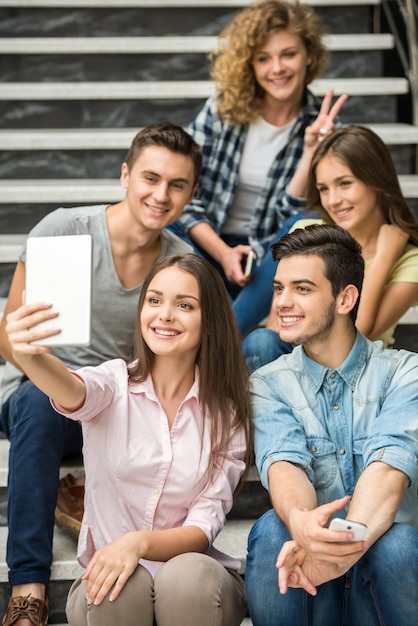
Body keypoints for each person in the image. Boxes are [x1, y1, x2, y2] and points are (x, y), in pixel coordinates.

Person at [0, 122, 202, 626]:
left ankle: (83, 492)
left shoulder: (182, 263)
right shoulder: (64, 230)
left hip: (120, 409)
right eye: (150, 179)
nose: (161, 195)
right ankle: (28, 584)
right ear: (125, 175)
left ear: (191, 194)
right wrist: (42, 362)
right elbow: (10, 336)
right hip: (45, 397)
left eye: (177, 185)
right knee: (36, 403)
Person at [5, 253, 252, 626]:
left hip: (200, 588)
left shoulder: (227, 416)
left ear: (211, 321)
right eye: (154, 300)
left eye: (184, 305)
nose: (165, 315)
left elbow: (203, 528)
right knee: (118, 588)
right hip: (111, 582)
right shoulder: (113, 383)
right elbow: (72, 390)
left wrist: (137, 543)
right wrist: (30, 356)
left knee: (185, 578)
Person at [245, 223, 418, 626]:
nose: (283, 303)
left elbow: (388, 473)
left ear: (345, 298)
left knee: (398, 544)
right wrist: (303, 524)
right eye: (279, 288)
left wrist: (334, 557)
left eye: (302, 289)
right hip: (308, 577)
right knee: (275, 529)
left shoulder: (405, 372)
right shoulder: (268, 382)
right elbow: (283, 466)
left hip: (381, 580)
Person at [169, 0, 347, 336]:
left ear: (309, 54)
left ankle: (221, 346)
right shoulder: (222, 111)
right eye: (264, 58)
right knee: (163, 220)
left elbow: (290, 218)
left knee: (301, 228)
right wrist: (223, 253)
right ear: (249, 63)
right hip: (207, 243)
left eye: (288, 54)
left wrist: (312, 149)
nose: (276, 68)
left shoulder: (319, 126)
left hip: (267, 256)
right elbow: (182, 190)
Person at [243, 124, 418, 373]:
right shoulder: (307, 233)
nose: (333, 200)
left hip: (357, 377)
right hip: (294, 368)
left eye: (344, 183)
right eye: (324, 188)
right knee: (261, 341)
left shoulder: (410, 260)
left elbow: (359, 335)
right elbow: (278, 329)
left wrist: (384, 258)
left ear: (377, 180)